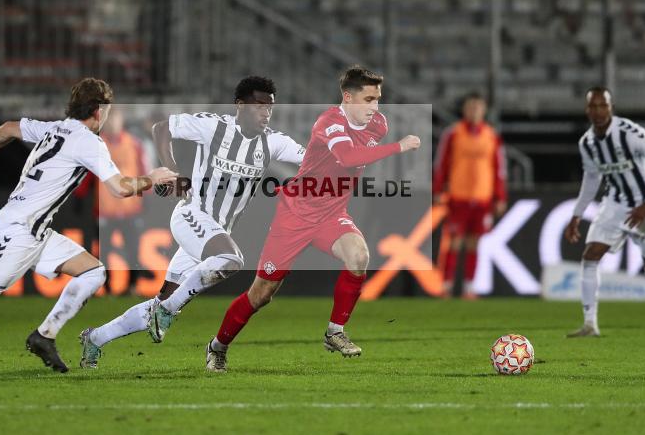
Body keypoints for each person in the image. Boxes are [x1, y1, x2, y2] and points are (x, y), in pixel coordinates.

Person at [0, 78, 177, 384]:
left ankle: (45, 335)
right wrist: (151, 178)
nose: (107, 116)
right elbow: (120, 188)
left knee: (94, 272)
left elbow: (8, 129)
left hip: (37, 232)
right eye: (106, 109)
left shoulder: (54, 128)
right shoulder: (89, 142)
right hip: (16, 231)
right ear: (97, 110)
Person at [203, 65, 422, 373]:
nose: (376, 107)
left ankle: (335, 332)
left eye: (378, 99)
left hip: (331, 215)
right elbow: (346, 158)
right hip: (295, 214)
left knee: (359, 255)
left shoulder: (378, 125)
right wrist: (399, 147)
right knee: (262, 294)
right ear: (348, 97)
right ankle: (217, 346)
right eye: (369, 99)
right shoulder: (329, 122)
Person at [78, 76, 306, 369]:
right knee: (231, 259)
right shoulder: (214, 126)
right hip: (191, 215)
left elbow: (311, 158)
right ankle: (168, 312)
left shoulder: (273, 142)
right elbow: (163, 128)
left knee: (162, 300)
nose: (265, 113)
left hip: (214, 231)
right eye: (259, 105)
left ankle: (95, 338)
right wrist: (172, 171)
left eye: (269, 108)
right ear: (240, 105)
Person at [564, 87, 645, 337]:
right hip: (615, 203)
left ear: (611, 108)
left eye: (603, 106)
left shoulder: (630, 134)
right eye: (593, 106)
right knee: (590, 256)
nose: (598, 111)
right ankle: (590, 324)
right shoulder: (587, 143)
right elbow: (591, 179)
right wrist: (577, 214)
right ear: (587, 110)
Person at [432, 92, 507, 298]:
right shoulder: (453, 134)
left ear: (484, 110)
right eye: (471, 106)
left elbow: (499, 169)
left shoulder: (492, 136)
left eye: (478, 106)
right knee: (455, 241)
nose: (474, 110)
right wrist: (438, 189)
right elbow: (441, 163)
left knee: (475, 243)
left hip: (482, 198)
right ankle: (446, 286)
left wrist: (500, 196)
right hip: (459, 196)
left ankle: (469, 287)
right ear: (464, 109)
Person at [74, 106, 150, 291]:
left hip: (130, 208)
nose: (113, 123)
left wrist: (146, 196)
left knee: (133, 249)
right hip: (105, 209)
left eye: (116, 118)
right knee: (104, 251)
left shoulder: (134, 144)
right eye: (110, 119)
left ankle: (132, 286)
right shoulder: (98, 145)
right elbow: (88, 173)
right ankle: (106, 286)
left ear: (122, 121)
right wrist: (80, 194)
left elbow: (143, 171)